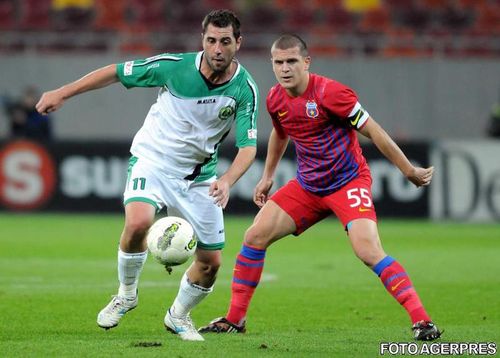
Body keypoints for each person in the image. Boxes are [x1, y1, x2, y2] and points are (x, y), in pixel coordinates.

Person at [199, 34, 442, 341]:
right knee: (254, 236)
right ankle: (235, 319)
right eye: (278, 62)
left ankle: (422, 321)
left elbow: (374, 131)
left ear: (306, 62)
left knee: (367, 251)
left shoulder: (332, 93)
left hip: (348, 183)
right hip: (309, 187)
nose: (285, 68)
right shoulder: (275, 97)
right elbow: (280, 133)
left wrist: (408, 169)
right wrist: (268, 175)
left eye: (291, 62)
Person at [36, 9, 259, 341]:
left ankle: (178, 316)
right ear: (203, 39)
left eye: (225, 42)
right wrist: (62, 93)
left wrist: (227, 181)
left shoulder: (244, 90)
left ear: (238, 43)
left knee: (211, 263)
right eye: (211, 40)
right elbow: (115, 72)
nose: (217, 49)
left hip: (199, 178)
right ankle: (126, 294)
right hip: (152, 161)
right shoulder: (173, 67)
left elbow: (247, 147)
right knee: (138, 222)